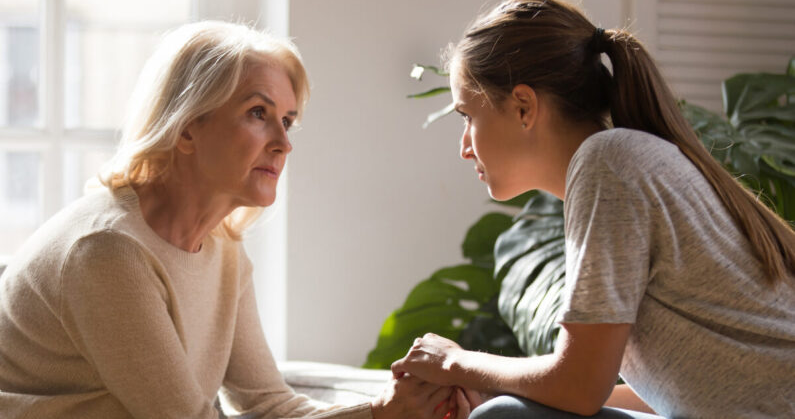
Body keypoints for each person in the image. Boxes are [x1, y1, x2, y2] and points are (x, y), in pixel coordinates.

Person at [0, 21, 472, 419]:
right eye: (257, 113)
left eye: (286, 121)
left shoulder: (222, 248)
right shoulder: (107, 251)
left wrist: (381, 411)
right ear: (186, 128)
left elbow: (267, 404)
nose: (283, 143)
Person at [391, 0, 795, 418]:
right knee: (505, 410)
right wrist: (500, 391)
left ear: (524, 107)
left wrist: (455, 363)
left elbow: (579, 386)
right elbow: (673, 392)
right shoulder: (623, 160)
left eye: (467, 116)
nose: (464, 147)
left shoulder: (608, 164)